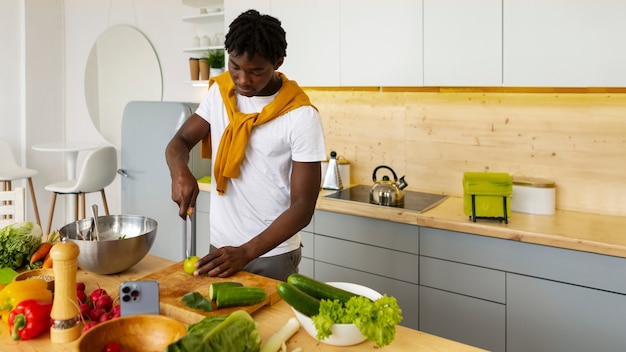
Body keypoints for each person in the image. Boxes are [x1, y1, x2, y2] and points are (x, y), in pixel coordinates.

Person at [165, 9, 326, 281]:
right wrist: (179, 170)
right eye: (235, 66)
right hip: (222, 247)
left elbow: (303, 207)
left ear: (278, 62)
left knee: (272, 325)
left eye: (255, 71)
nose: (242, 79)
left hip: (271, 255)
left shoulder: (300, 115)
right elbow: (178, 142)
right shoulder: (221, 92)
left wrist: (245, 252)